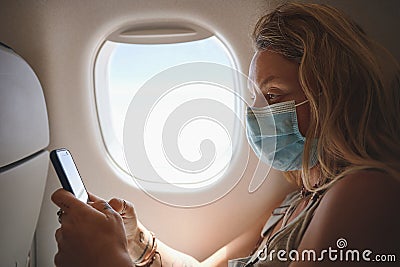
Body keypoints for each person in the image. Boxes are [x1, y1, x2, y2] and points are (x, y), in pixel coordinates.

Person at [52, 2, 400, 266]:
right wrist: (135, 241)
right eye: (254, 98)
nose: (256, 114)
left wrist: (104, 259)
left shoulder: (364, 190)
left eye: (274, 96)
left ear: (332, 97)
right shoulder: (298, 200)